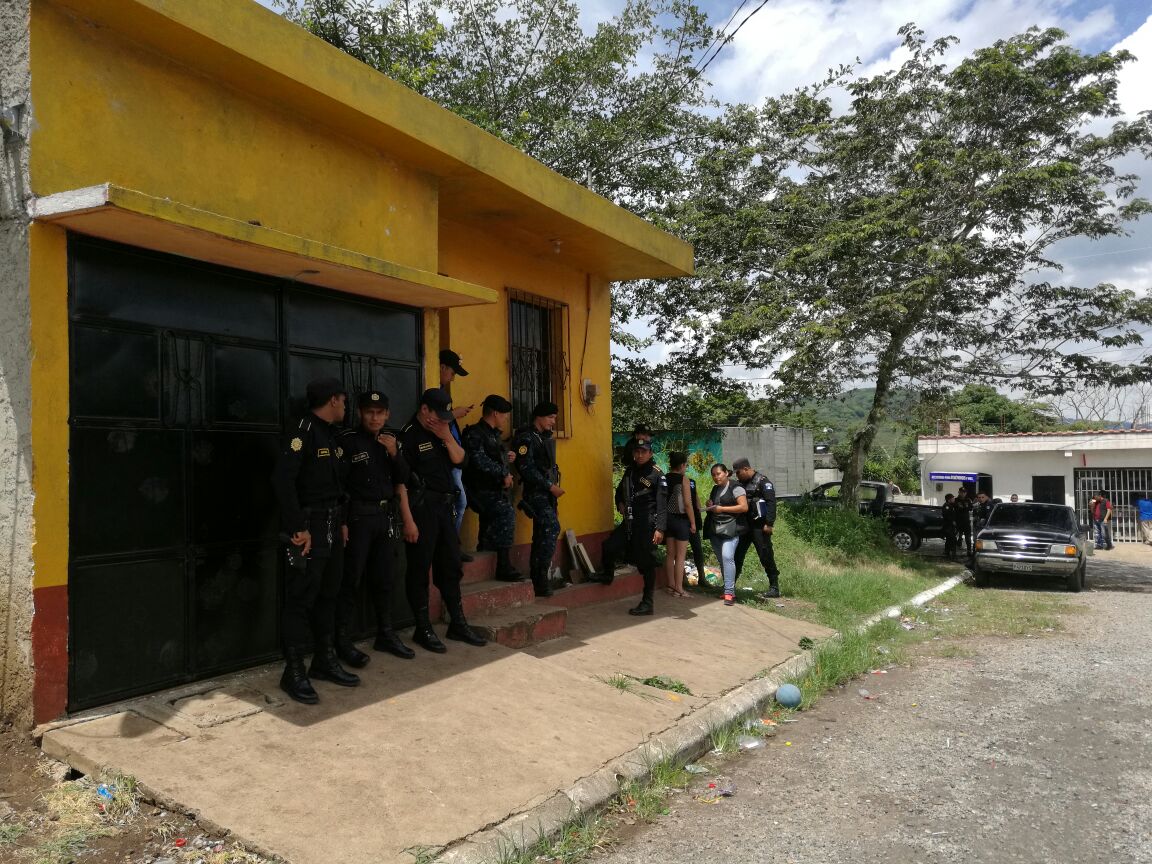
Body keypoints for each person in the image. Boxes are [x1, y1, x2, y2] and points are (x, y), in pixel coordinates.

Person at [271, 377, 359, 704]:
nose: (346, 406)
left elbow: (337, 486)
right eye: (344, 400)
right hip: (309, 527)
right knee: (301, 598)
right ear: (334, 400)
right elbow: (282, 480)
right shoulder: (302, 430)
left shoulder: (331, 435)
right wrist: (298, 527)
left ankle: (324, 660)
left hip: (333, 525)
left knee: (329, 593)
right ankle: (294, 671)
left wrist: (344, 523)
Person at [398, 388, 487, 652]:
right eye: (440, 415)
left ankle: (457, 623)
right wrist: (408, 520)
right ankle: (422, 627)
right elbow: (400, 483)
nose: (444, 420)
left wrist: (447, 436)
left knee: (450, 566)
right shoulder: (409, 436)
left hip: (445, 510)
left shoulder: (443, 432)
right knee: (419, 569)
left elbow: (462, 461)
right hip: (421, 510)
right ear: (424, 410)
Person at [336, 390, 419, 665]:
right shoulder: (347, 441)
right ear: (360, 413)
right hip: (358, 519)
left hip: (385, 519)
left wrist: (395, 453)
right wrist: (343, 521)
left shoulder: (392, 441)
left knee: (385, 578)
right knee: (350, 580)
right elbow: (339, 486)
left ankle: (385, 633)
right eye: (369, 412)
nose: (374, 417)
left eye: (379, 412)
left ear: (387, 415)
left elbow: (404, 478)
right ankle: (341, 640)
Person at [601, 440, 665, 616]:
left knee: (647, 563)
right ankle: (607, 576)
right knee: (609, 547)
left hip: (647, 524)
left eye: (644, 452)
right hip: (629, 521)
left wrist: (660, 528)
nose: (640, 455)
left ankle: (647, 602)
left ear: (650, 453)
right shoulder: (630, 471)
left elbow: (662, 504)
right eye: (637, 451)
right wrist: (620, 502)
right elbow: (620, 490)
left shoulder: (657, 474)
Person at [462, 394, 522, 582]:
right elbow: (478, 460)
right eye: (504, 415)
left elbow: (495, 456)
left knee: (490, 524)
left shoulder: (493, 435)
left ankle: (487, 557)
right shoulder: (475, 433)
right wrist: (503, 473)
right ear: (495, 413)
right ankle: (503, 565)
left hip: (494, 490)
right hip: (479, 490)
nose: (505, 418)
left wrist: (507, 458)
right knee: (506, 515)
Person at [512, 402, 565, 597]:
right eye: (550, 418)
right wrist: (550, 487)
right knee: (551, 528)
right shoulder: (526, 438)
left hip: (546, 494)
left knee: (543, 533)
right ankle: (540, 578)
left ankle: (539, 579)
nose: (553, 422)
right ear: (540, 417)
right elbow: (526, 469)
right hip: (536, 493)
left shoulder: (541, 438)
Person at [438, 348, 475, 559]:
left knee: (458, 503)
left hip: (455, 457)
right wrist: (454, 414)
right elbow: (432, 421)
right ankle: (449, 546)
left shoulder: (442, 390)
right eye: (452, 373)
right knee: (458, 503)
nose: (452, 378)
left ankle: (451, 544)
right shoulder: (432, 390)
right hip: (446, 458)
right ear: (442, 367)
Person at [731, 457, 781, 598]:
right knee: (737, 556)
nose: (737, 475)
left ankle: (774, 587)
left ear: (746, 469)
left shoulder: (763, 482)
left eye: (739, 472)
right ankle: (730, 586)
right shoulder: (740, 483)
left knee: (765, 556)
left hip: (760, 527)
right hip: (745, 527)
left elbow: (771, 504)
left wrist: (769, 524)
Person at [704, 463, 748, 606]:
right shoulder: (715, 489)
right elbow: (715, 506)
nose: (716, 477)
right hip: (716, 529)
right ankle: (728, 590)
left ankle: (730, 593)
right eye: (714, 475)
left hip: (731, 529)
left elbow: (744, 507)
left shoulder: (736, 487)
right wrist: (710, 504)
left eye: (719, 474)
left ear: (726, 473)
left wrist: (721, 508)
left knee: (727, 557)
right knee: (723, 561)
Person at [658, 452, 695, 597]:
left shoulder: (664, 477)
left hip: (667, 519)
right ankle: (679, 588)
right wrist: (692, 522)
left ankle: (670, 585)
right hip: (680, 520)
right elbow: (687, 504)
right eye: (686, 465)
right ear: (681, 465)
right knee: (680, 556)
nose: (686, 468)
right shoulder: (683, 479)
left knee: (670, 554)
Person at [955, 487, 974, 557]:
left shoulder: (968, 500)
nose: (963, 494)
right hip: (958, 521)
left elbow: (971, 508)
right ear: (959, 492)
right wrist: (965, 508)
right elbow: (958, 508)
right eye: (961, 492)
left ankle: (969, 551)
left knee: (968, 537)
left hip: (966, 521)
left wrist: (964, 508)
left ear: (966, 493)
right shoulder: (956, 500)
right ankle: (954, 550)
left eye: (964, 492)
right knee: (957, 535)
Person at [941, 493, 960, 561]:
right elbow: (946, 516)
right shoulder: (946, 506)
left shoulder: (951, 505)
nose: (954, 499)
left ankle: (947, 553)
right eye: (952, 498)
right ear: (949, 499)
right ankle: (953, 556)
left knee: (949, 540)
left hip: (950, 526)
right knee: (952, 540)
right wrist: (952, 521)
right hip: (948, 526)